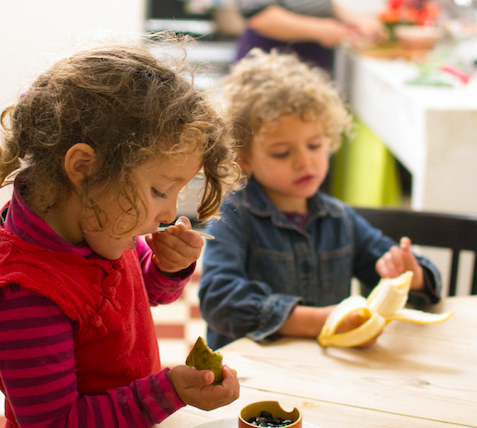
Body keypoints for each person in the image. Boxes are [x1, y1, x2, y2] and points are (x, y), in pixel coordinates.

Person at [0, 37, 241, 428]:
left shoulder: (96, 225)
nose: (168, 213)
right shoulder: (27, 296)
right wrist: (169, 392)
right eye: (159, 190)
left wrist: (168, 267)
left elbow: (146, 294)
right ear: (83, 168)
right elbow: (53, 424)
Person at [199, 49, 442, 351]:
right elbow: (220, 301)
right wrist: (320, 321)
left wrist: (413, 275)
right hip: (253, 375)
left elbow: (418, 282)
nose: (305, 162)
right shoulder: (234, 216)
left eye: (314, 145)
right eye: (282, 153)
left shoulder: (340, 218)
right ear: (243, 158)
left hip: (325, 375)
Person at [234, 0, 388, 74]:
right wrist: (321, 30)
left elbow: (319, 4)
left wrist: (358, 20)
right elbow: (260, 16)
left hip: (312, 61)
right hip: (271, 61)